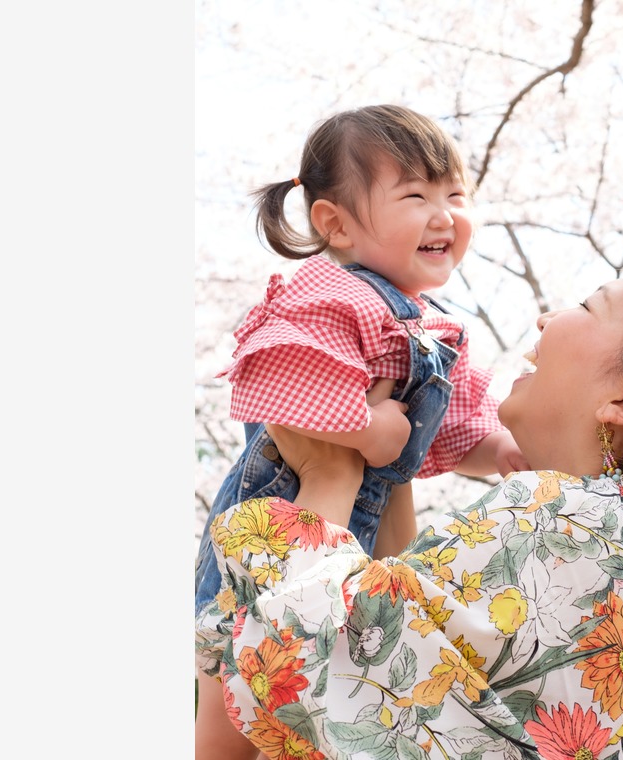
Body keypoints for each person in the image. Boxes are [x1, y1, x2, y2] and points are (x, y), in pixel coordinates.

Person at [194, 243, 623, 760]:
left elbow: (328, 667)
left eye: (590, 306)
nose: (548, 319)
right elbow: (434, 660)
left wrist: (327, 472)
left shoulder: (570, 517)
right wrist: (392, 466)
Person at [195, 104, 528, 611]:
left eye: (456, 194)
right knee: (238, 643)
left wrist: (499, 449)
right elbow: (288, 385)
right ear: (337, 225)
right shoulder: (334, 294)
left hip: (351, 549)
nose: (445, 215)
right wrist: (369, 429)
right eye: (416, 195)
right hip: (271, 529)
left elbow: (457, 426)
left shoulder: (434, 328)